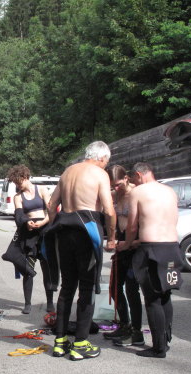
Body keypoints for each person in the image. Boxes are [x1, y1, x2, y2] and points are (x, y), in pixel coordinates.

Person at [46, 141, 116, 361]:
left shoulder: (68, 171)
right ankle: (81, 344)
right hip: (87, 230)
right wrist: (112, 238)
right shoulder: (99, 173)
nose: (106, 166)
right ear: (102, 158)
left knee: (67, 287)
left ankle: (59, 342)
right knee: (86, 288)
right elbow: (109, 210)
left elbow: (51, 204)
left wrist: (54, 224)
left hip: (64, 230)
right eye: (107, 162)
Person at [117, 162, 183, 358]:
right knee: (165, 295)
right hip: (172, 247)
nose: (134, 183)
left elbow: (131, 225)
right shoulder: (170, 191)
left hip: (151, 250)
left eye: (134, 179)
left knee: (152, 299)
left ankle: (158, 348)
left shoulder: (139, 192)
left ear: (139, 174)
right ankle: (166, 340)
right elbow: (174, 219)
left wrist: (128, 244)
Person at [1, 165, 57, 314]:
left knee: (47, 269)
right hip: (30, 235)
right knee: (28, 270)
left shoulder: (42, 190)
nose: (17, 185)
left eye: (18, 181)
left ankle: (50, 302)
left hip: (45, 232)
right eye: (14, 183)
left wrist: (43, 222)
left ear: (25, 176)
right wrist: (27, 223)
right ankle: (27, 303)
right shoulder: (17, 197)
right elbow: (18, 215)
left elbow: (51, 211)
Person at [103, 165, 144, 346]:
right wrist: (111, 239)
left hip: (135, 245)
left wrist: (132, 243)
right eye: (113, 186)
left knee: (131, 289)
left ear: (127, 178)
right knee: (114, 287)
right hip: (121, 246)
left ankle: (136, 331)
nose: (116, 188)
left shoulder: (137, 194)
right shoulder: (114, 195)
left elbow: (144, 222)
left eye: (118, 184)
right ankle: (124, 324)